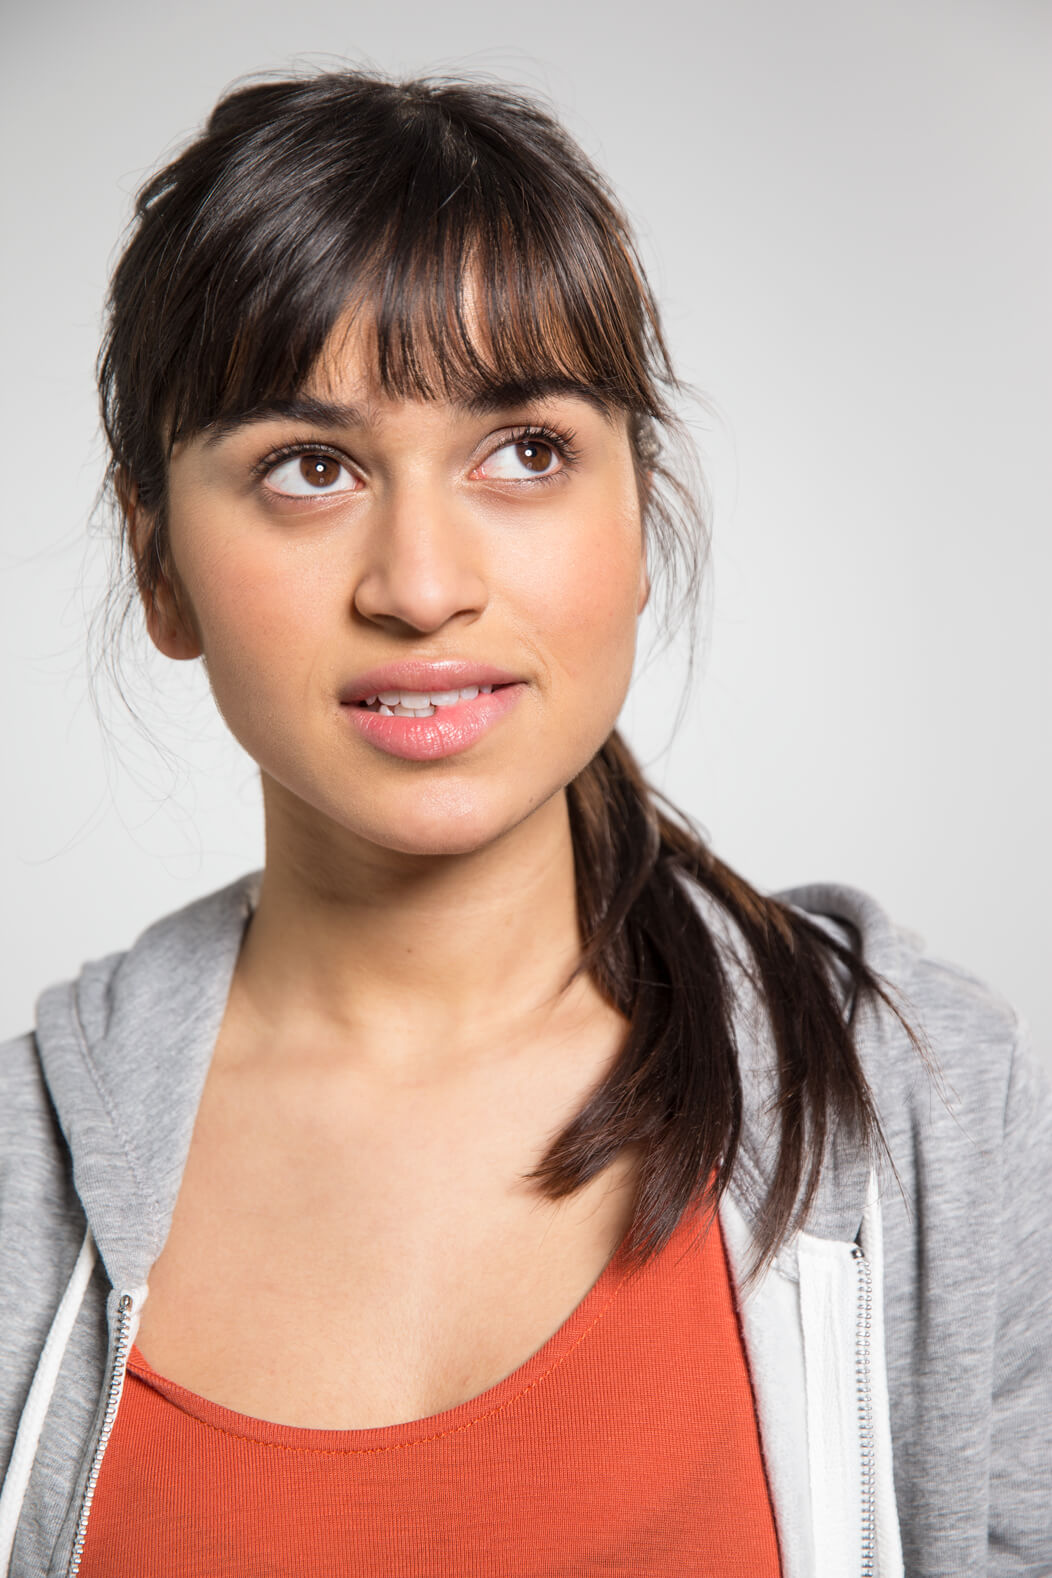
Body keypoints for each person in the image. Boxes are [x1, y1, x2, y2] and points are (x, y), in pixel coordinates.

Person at [0, 67, 1048, 1578]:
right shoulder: (25, 1189)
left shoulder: (931, 1115)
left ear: (639, 516)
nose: (420, 583)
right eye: (310, 466)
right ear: (157, 564)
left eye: (526, 451)